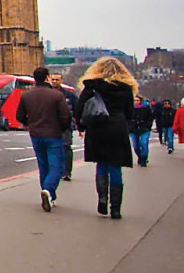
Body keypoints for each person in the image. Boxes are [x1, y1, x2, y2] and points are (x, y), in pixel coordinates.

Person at [75, 56, 136, 219]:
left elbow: (79, 109)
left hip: (97, 127)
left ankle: (102, 198)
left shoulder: (91, 86)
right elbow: (130, 113)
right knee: (115, 166)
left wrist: (81, 126)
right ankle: (115, 208)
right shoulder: (125, 88)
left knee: (101, 163)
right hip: (117, 127)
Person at [18, 65, 72, 212]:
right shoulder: (57, 95)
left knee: (43, 166)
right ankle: (48, 189)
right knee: (57, 166)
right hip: (53, 135)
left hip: (36, 135)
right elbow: (65, 116)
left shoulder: (26, 95)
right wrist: (61, 128)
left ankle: (49, 196)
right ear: (47, 78)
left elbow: (19, 116)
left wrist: (31, 124)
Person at [49, 73, 77, 180]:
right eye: (53, 79)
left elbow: (77, 109)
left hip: (66, 126)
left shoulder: (69, 95)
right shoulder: (47, 94)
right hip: (50, 126)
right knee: (52, 149)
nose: (54, 81)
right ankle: (55, 171)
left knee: (66, 148)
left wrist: (80, 125)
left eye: (57, 79)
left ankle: (67, 172)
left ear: (61, 81)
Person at [127, 93, 154, 167]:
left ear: (140, 101)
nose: (136, 102)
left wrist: (148, 126)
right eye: (134, 100)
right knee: (135, 146)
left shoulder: (146, 108)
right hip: (133, 129)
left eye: (137, 100)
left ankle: (144, 158)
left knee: (143, 143)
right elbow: (127, 118)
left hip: (144, 129)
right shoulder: (130, 109)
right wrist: (129, 126)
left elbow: (150, 117)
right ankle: (140, 156)